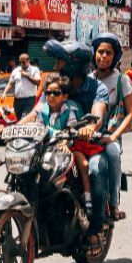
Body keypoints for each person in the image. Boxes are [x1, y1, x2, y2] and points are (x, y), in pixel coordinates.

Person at [15, 40, 112, 239]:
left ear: (74, 65)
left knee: (95, 168)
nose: (56, 66)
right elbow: (35, 113)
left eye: (60, 62)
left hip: (86, 143)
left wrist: (89, 128)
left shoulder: (97, 87)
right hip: (54, 144)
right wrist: (13, 128)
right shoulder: (54, 85)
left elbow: (98, 114)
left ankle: (95, 223)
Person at [92, 33, 132, 221]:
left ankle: (114, 203)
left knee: (111, 154)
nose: (103, 56)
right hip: (88, 135)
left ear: (115, 56)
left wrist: (113, 136)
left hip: (111, 135)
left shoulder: (121, 80)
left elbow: (131, 114)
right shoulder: (88, 79)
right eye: (100, 52)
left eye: (108, 53)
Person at [36, 77, 94, 212]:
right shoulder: (42, 110)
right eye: (48, 93)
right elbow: (38, 128)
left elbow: (71, 130)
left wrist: (65, 143)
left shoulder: (69, 109)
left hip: (70, 145)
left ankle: (87, 197)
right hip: (48, 147)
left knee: (84, 164)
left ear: (64, 96)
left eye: (55, 93)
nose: (51, 96)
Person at [3, 53, 42, 121]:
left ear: (28, 61)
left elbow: (38, 82)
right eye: (20, 62)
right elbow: (10, 83)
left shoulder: (34, 70)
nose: (22, 64)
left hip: (29, 100)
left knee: (25, 118)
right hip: (17, 100)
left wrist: (26, 75)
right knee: (19, 119)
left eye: (23, 62)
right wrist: (4, 93)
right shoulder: (16, 70)